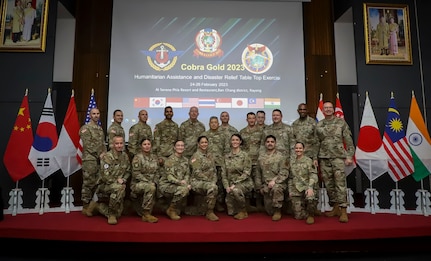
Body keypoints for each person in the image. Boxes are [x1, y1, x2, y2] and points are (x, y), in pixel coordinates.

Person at [316, 101, 355, 223]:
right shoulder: (319, 125)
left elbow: (348, 140)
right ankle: (335, 207)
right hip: (324, 158)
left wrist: (349, 156)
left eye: (329, 108)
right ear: (323, 110)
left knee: (340, 183)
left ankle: (343, 210)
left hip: (338, 157)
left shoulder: (340, 122)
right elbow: (316, 143)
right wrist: (314, 158)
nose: (327, 110)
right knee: (329, 184)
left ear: (333, 110)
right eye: (325, 108)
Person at [89, 135, 131, 225]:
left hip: (119, 185)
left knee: (119, 214)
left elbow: (128, 171)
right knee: (119, 188)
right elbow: (105, 176)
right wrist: (118, 182)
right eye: (117, 143)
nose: (119, 145)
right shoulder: (107, 157)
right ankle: (111, 214)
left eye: (121, 143)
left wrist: (123, 180)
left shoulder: (125, 156)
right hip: (104, 185)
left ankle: (97, 206)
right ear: (112, 144)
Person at [79, 107, 107, 216]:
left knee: (97, 182)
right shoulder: (85, 128)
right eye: (93, 113)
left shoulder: (100, 129)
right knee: (88, 182)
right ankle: (85, 205)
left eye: (97, 113)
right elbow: (88, 145)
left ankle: (93, 205)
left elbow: (103, 144)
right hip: (89, 159)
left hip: (100, 159)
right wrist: (99, 154)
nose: (96, 115)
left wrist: (104, 154)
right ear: (90, 115)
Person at [255, 135, 289, 221]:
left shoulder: (281, 156)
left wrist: (275, 181)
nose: (270, 143)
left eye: (272, 142)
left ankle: (278, 211)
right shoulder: (261, 157)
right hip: (266, 186)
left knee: (276, 189)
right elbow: (258, 173)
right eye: (268, 142)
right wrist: (260, 188)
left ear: (275, 143)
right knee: (269, 212)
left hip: (278, 184)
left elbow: (284, 172)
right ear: (265, 144)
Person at [200, 116, 230, 212]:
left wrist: (225, 161)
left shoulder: (224, 135)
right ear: (209, 124)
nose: (213, 124)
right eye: (211, 122)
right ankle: (210, 203)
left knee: (220, 184)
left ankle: (219, 203)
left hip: (220, 163)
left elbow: (227, 149)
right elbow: (200, 149)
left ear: (218, 124)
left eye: (215, 122)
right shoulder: (204, 135)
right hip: (208, 165)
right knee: (210, 183)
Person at [222, 133, 254, 219]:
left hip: (244, 182)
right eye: (233, 140)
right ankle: (245, 206)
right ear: (230, 142)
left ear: (240, 142)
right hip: (230, 185)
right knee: (231, 212)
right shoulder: (226, 157)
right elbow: (224, 174)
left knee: (236, 190)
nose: (235, 142)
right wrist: (226, 187)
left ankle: (243, 211)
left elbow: (247, 173)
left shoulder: (245, 156)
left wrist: (234, 184)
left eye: (237, 140)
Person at [158, 140, 191, 220]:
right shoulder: (169, 160)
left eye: (182, 145)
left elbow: (187, 174)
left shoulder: (186, 160)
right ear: (174, 147)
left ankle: (170, 207)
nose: (180, 147)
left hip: (178, 185)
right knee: (183, 190)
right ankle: (171, 210)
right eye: (178, 145)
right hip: (166, 185)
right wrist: (181, 183)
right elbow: (170, 177)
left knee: (181, 210)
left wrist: (186, 183)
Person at [189, 135, 220, 221]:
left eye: (206, 142)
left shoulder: (210, 155)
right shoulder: (195, 157)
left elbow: (214, 171)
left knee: (214, 186)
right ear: (198, 144)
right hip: (197, 182)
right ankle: (210, 212)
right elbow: (197, 172)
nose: (204, 144)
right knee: (213, 187)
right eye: (202, 142)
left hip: (209, 182)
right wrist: (210, 182)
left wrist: (213, 181)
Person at [130, 137, 160, 223]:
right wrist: (149, 182)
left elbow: (157, 172)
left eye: (148, 144)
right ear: (141, 146)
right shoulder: (137, 158)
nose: (147, 146)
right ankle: (146, 214)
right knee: (150, 187)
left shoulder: (154, 157)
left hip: (152, 183)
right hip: (138, 184)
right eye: (144, 144)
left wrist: (155, 181)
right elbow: (136, 174)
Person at [288, 142, 319, 224]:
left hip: (307, 186)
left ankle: (311, 215)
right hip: (296, 188)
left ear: (303, 149)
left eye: (300, 148)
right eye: (296, 148)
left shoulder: (309, 161)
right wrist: (290, 190)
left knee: (310, 197)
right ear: (294, 149)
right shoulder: (291, 162)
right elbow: (290, 178)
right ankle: (305, 211)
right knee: (298, 216)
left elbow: (313, 175)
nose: (298, 150)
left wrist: (310, 187)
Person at [239, 112, 264, 211]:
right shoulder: (242, 132)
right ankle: (248, 204)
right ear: (247, 120)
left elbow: (263, 146)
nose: (252, 120)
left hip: (257, 161)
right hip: (246, 162)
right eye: (250, 118)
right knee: (247, 182)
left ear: (256, 119)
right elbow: (239, 147)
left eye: (253, 118)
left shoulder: (262, 131)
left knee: (257, 182)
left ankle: (258, 203)